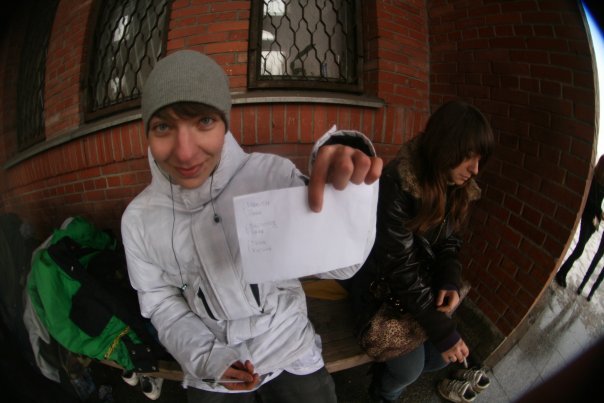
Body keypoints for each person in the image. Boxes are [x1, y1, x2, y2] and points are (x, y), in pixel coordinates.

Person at [120, 49, 382, 403]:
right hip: (211, 367)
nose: (184, 152)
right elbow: (160, 302)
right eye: (163, 126)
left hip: (289, 347)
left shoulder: (268, 175)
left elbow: (343, 265)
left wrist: (344, 188)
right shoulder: (138, 220)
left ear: (225, 123)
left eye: (204, 121)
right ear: (147, 133)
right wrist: (208, 359)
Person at [341, 100, 495, 403]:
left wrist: (449, 278)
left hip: (417, 290)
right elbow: (398, 265)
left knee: (436, 360)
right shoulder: (398, 183)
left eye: (480, 160)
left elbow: (449, 242)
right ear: (445, 147)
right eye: (469, 158)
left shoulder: (456, 187)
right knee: (409, 370)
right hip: (380, 293)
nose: (475, 170)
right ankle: (384, 394)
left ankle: (387, 378)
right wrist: (441, 329)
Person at [555, 155, 604, 289]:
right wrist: (599, 212)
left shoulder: (602, 183)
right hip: (588, 216)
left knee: (579, 249)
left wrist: (599, 214)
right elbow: (589, 201)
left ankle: (563, 273)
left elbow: (598, 202)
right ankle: (561, 273)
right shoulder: (593, 180)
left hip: (594, 221)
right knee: (580, 249)